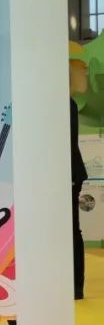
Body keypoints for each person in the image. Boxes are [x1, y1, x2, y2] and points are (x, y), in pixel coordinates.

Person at [73, 97, 88, 300]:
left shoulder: (67, 104)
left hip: (71, 175)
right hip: (67, 174)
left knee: (72, 231)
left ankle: (76, 286)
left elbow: (69, 142)